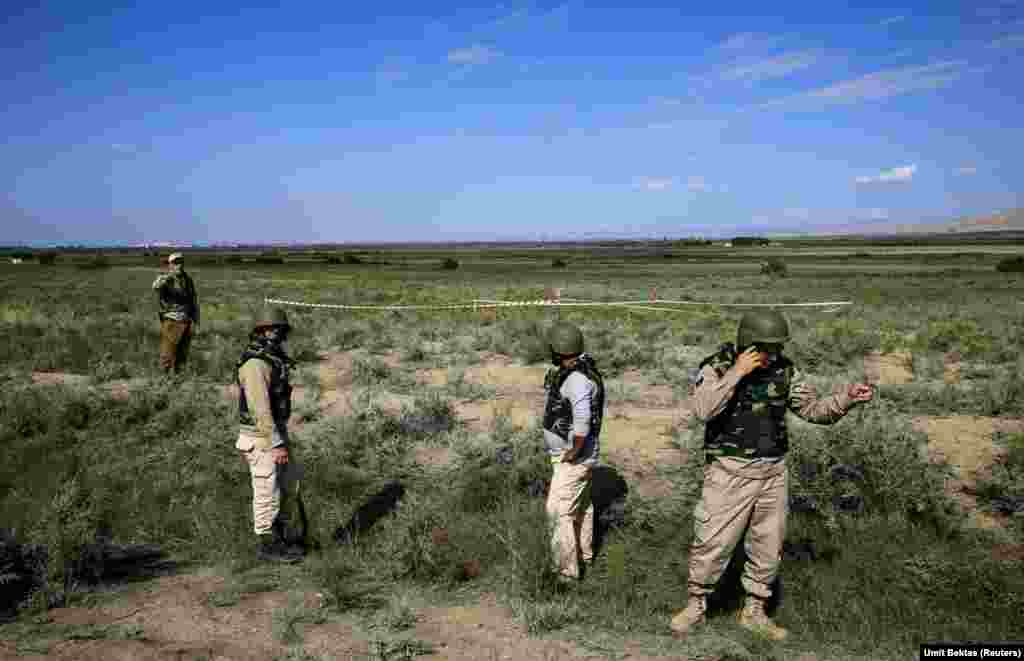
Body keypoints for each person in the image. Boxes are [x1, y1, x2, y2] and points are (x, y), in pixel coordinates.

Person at [671, 310, 874, 640]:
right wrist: (737, 373)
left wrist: (846, 399)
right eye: (767, 348)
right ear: (748, 344)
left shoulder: (785, 370)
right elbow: (702, 410)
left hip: (773, 473)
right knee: (712, 542)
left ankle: (754, 611)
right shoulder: (717, 366)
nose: (774, 354)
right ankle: (696, 606)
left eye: (778, 348)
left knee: (768, 546)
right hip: (729, 471)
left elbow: (812, 410)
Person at [236, 307, 307, 563]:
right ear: (259, 330)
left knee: (288, 486)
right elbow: (260, 409)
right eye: (269, 328)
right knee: (267, 489)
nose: (275, 332)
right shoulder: (256, 364)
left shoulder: (272, 358)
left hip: (274, 433)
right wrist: (275, 443)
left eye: (279, 328)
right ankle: (268, 544)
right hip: (261, 437)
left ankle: (283, 537)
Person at [542, 321, 606, 582]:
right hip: (579, 454)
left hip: (575, 456)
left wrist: (573, 450)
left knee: (558, 511)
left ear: (558, 350)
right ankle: (584, 556)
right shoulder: (581, 369)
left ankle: (566, 574)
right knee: (581, 507)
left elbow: (582, 420)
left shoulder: (577, 378)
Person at [152, 252, 200, 375]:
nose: (179, 265)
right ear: (170, 264)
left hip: (186, 320)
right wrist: (165, 276)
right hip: (171, 320)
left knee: (182, 353)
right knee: (168, 353)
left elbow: (193, 299)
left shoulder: (187, 279)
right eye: (175, 262)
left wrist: (196, 319)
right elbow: (156, 287)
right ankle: (164, 380)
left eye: (181, 262)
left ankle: (178, 378)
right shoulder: (166, 278)